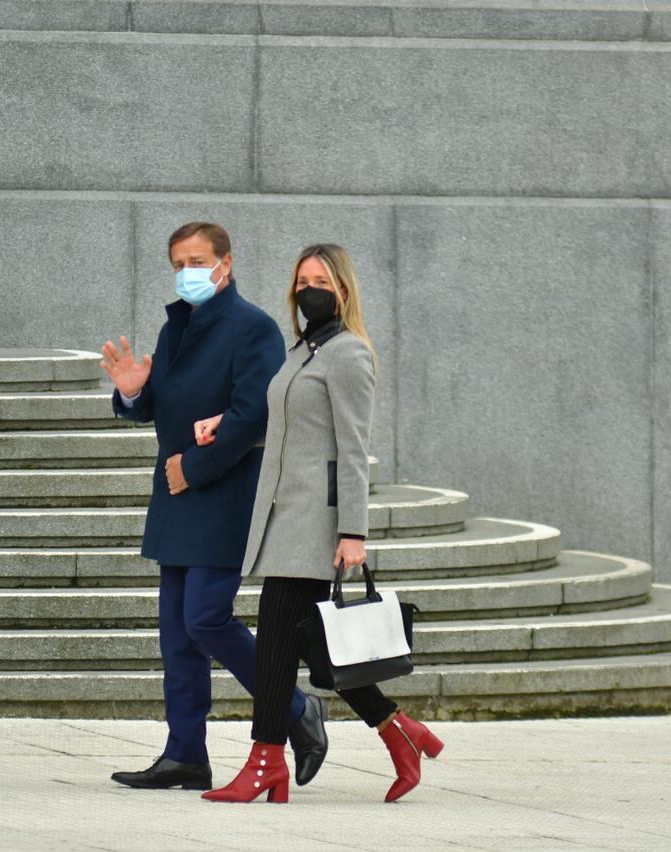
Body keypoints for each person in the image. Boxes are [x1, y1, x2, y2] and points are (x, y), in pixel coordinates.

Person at [197, 244, 444, 805]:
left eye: (321, 281)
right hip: (284, 516)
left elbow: (353, 448)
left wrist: (353, 532)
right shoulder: (302, 350)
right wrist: (227, 426)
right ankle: (398, 730)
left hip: (318, 521)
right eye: (303, 280)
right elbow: (293, 430)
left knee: (280, 642)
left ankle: (266, 763)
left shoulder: (350, 353)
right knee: (307, 644)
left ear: (343, 290)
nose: (310, 290)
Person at [100, 222, 328, 792]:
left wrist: (191, 469)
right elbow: (158, 403)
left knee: (206, 617)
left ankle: (297, 708)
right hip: (177, 498)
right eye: (178, 263)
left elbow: (253, 414)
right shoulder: (176, 327)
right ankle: (184, 754)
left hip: (223, 494)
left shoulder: (253, 328)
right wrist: (132, 391)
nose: (186, 272)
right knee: (177, 635)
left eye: (197, 260)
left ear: (225, 263)